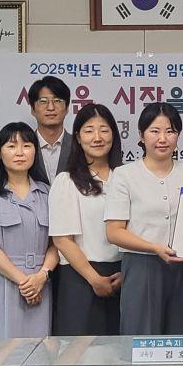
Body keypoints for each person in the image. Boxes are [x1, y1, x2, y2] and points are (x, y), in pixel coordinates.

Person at [105, 103, 183, 336]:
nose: (162, 138)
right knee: (141, 338)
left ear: (178, 135)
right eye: (154, 131)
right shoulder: (124, 175)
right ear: (141, 136)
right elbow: (114, 232)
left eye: (170, 131)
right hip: (141, 267)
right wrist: (154, 248)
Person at [0, 123, 57, 338]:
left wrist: (42, 276)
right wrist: (24, 282)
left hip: (40, 283)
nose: (19, 152)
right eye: (11, 146)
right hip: (2, 282)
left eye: (26, 146)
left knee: (39, 350)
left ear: (35, 152)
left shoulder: (48, 193)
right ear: (0, 153)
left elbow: (57, 243)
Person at [48, 103, 123, 336]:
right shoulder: (67, 181)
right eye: (89, 130)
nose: (97, 137)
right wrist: (94, 279)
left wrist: (126, 274)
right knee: (80, 352)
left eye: (104, 130)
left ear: (113, 135)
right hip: (80, 278)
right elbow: (62, 240)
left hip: (122, 278)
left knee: (120, 351)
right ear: (78, 138)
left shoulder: (126, 178)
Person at [28, 75, 72, 181]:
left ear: (67, 108)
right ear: (33, 110)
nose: (51, 107)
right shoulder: (23, 148)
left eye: (57, 101)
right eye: (43, 101)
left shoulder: (80, 146)